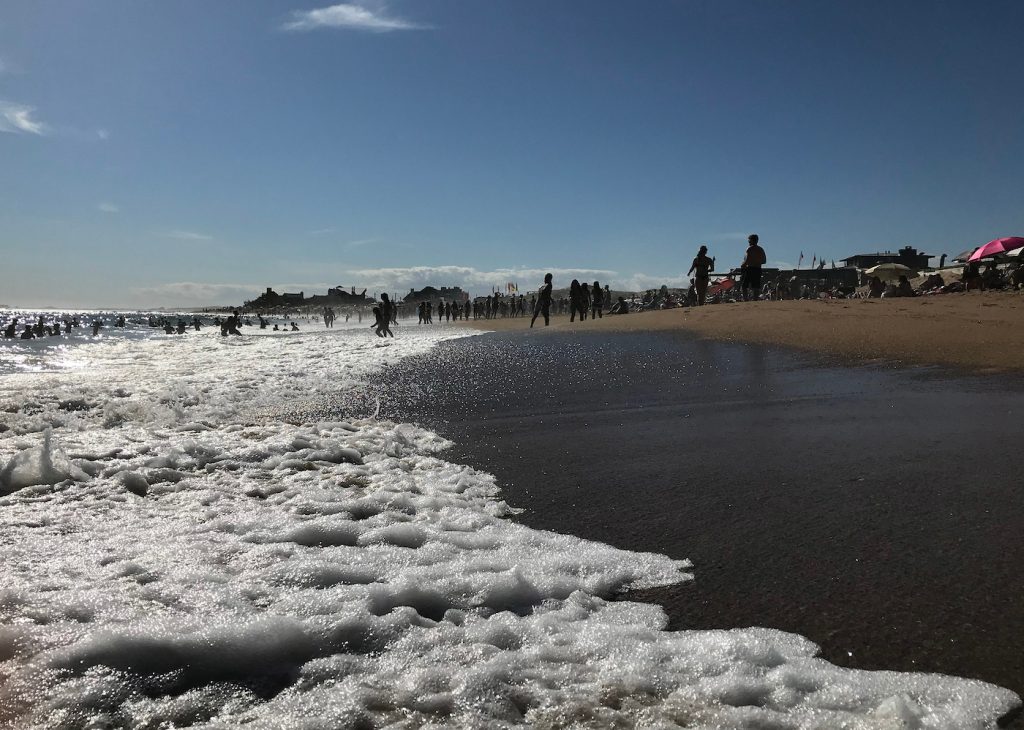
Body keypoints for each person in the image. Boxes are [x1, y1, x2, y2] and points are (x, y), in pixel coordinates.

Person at [740, 234, 766, 301]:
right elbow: (764, 260)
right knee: (756, 286)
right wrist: (757, 261)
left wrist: (743, 264)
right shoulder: (761, 249)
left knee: (744, 285)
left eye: (749, 241)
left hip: (750, 269)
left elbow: (747, 260)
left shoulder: (749, 249)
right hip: (757, 269)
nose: (749, 242)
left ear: (752, 240)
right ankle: (755, 300)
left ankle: (746, 299)